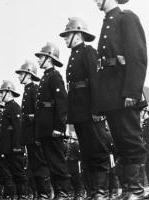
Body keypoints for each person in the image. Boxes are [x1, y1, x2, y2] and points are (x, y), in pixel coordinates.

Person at [93, 0, 148, 199]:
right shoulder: (107, 22)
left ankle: (136, 190)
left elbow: (137, 56)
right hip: (110, 95)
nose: (96, 0)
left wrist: (132, 91)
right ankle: (127, 189)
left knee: (130, 139)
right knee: (119, 142)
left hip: (124, 92)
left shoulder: (127, 18)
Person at [59, 17, 111, 200]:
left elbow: (96, 82)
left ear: (78, 34)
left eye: (67, 35)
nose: (65, 38)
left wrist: (97, 110)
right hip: (79, 111)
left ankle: (101, 191)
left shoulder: (88, 51)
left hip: (90, 110)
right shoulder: (73, 56)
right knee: (87, 153)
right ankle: (92, 191)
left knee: (97, 150)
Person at [34, 42, 71, 200]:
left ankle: (63, 193)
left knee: (57, 161)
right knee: (51, 162)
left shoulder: (55, 76)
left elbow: (61, 103)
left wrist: (59, 127)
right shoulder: (46, 77)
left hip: (52, 128)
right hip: (45, 127)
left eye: (41, 57)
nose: (38, 60)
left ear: (48, 58)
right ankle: (58, 193)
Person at [15, 61, 51, 199]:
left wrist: (37, 135)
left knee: (39, 165)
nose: (19, 77)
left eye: (21, 74)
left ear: (28, 75)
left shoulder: (34, 89)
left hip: (35, 134)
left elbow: (39, 113)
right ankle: (38, 194)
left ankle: (45, 194)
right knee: (34, 166)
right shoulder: (27, 90)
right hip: (29, 135)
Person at [0, 80, 28, 199]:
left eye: (2, 92)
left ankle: (23, 196)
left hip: (15, 149)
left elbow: (18, 129)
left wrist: (16, 147)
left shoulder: (14, 107)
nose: (0, 95)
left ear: (8, 93)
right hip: (9, 149)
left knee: (19, 175)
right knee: (13, 176)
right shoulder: (7, 108)